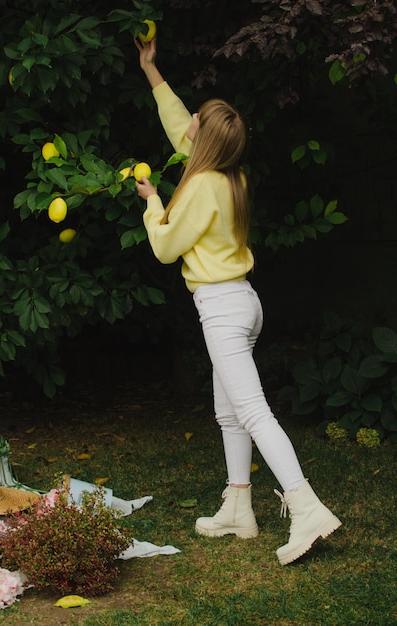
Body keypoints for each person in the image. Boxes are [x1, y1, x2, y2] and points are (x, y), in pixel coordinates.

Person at [134, 36, 342, 565]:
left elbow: (164, 247)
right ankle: (238, 509)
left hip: (223, 309)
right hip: (243, 302)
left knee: (251, 412)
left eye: (198, 123)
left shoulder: (200, 185)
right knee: (230, 413)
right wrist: (152, 71)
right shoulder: (232, 175)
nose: (191, 127)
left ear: (205, 140)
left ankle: (305, 506)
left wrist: (154, 201)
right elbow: (181, 122)